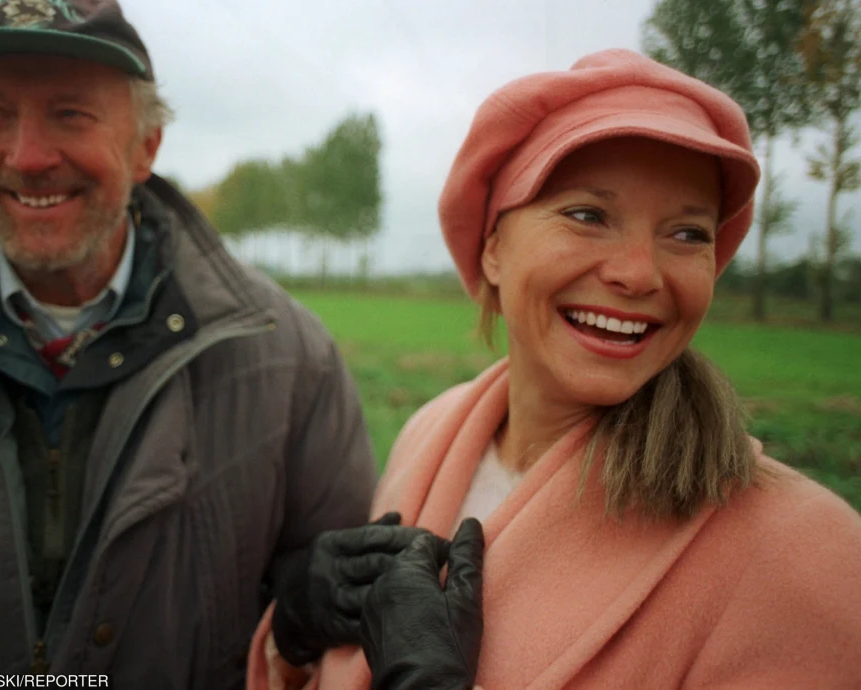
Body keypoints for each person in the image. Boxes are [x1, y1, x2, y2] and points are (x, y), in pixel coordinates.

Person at [0, 0, 433, 685]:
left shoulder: (290, 359)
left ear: (146, 145)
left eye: (71, 114)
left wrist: (304, 604)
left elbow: (320, 615)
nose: (27, 157)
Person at [245, 49, 861, 689]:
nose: (639, 272)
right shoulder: (429, 434)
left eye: (686, 234)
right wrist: (295, 633)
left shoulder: (808, 558)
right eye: (588, 215)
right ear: (493, 250)